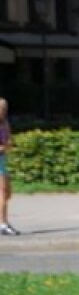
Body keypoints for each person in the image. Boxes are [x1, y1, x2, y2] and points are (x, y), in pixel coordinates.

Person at [0, 98, 17, 236]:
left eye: (5, 108)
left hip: (3, 158)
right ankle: (3, 223)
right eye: (1, 108)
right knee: (3, 192)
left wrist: (8, 143)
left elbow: (9, 139)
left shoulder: (5, 123)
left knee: (8, 193)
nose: (4, 111)